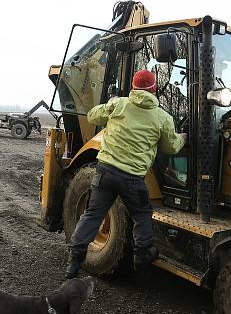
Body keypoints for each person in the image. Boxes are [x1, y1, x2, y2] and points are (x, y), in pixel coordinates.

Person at [65, 69, 187, 279]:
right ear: (154, 89)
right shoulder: (162, 117)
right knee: (142, 216)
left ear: (133, 87)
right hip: (132, 179)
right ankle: (141, 258)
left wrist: (111, 103)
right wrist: (184, 136)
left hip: (105, 172)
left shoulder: (119, 104)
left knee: (93, 214)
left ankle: (74, 262)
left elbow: (93, 115)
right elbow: (171, 147)